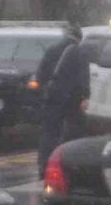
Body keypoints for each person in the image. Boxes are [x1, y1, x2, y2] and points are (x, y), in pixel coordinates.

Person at [35, 23, 85, 172]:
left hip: (52, 96)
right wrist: (84, 96)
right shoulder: (79, 52)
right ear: (79, 38)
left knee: (49, 131)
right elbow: (83, 77)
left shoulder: (51, 50)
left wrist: (45, 89)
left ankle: (44, 163)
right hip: (72, 98)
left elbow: (40, 75)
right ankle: (71, 161)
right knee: (76, 130)